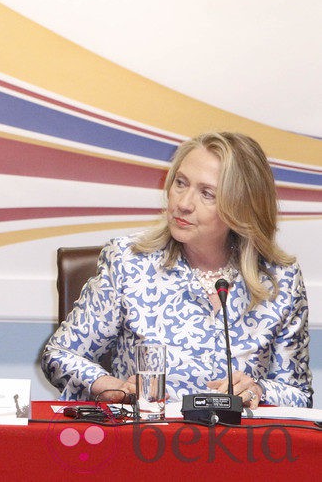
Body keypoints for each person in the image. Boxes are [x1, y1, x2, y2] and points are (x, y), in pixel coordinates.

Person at [42, 131, 311, 408]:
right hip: (145, 441)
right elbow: (60, 355)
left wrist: (258, 390)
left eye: (207, 194)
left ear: (243, 207)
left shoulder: (281, 280)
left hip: (240, 446)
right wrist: (112, 387)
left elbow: (300, 396)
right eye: (180, 183)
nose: (183, 203)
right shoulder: (128, 261)